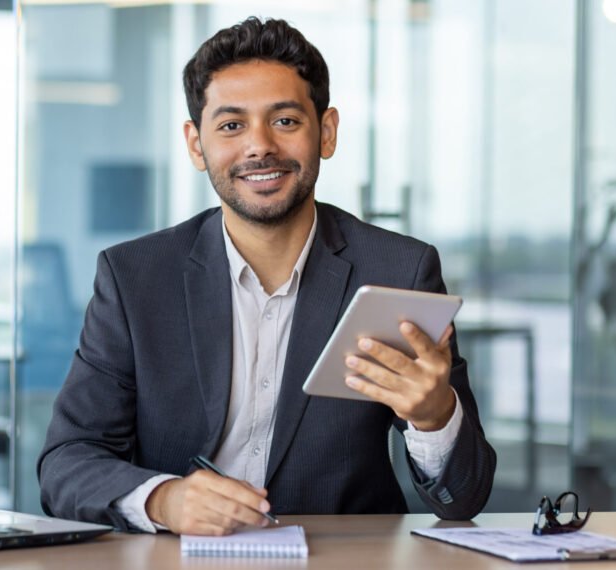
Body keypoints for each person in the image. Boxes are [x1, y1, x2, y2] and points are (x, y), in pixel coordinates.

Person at [38, 16, 496, 536]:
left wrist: (435, 417)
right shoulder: (134, 277)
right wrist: (165, 500)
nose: (260, 147)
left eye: (285, 121)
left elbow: (466, 497)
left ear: (326, 132)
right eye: (231, 125)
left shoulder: (398, 270)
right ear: (196, 144)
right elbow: (66, 462)